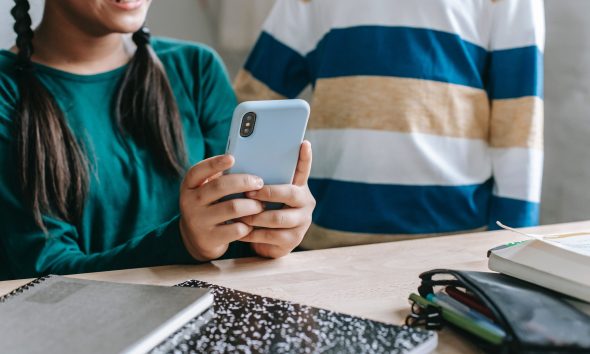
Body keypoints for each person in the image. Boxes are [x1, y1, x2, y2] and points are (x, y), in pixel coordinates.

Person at [0, 0, 315, 281]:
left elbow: (234, 239)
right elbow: (43, 274)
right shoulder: (7, 90)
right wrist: (182, 242)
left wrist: (265, 235)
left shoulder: (196, 68)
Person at [235, 0, 545, 249]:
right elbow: (251, 104)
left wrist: (513, 247)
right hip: (326, 242)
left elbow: (518, 124)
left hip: (453, 244)